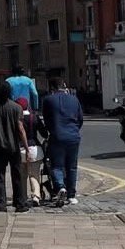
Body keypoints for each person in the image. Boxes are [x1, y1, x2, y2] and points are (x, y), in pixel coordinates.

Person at [0, 80, 30, 212]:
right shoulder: (16, 108)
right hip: (13, 146)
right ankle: (20, 203)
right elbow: (20, 129)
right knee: (17, 175)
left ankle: (0, 204)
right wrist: (26, 147)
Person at [42, 75, 84, 206]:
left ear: (52, 88)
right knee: (72, 167)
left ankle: (60, 187)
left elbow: (46, 119)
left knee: (57, 165)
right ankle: (71, 195)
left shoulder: (48, 100)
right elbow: (80, 118)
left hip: (57, 136)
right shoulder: (74, 99)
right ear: (64, 86)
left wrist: (52, 130)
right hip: (73, 136)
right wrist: (74, 130)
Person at [16, 97, 46, 207]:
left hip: (19, 150)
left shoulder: (16, 118)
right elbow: (43, 132)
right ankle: (36, 196)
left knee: (22, 176)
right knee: (34, 175)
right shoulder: (34, 117)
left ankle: (23, 197)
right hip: (34, 149)